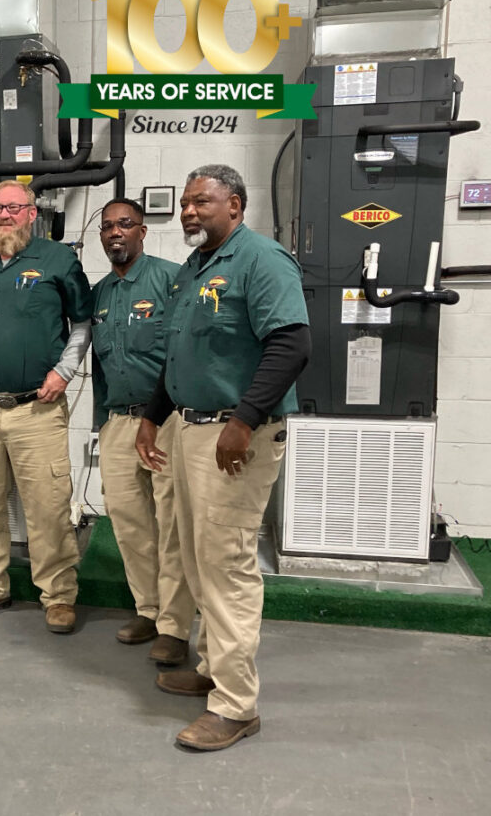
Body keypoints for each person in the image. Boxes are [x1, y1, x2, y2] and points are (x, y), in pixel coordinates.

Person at [136, 165, 310, 751]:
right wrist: (151, 418)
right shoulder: (194, 269)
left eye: (201, 202)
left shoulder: (262, 260)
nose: (189, 211)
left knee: (227, 563)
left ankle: (236, 706)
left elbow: (291, 343)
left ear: (235, 204)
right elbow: (177, 355)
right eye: (185, 203)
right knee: (195, 555)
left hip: (234, 438)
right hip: (189, 431)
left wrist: (244, 419)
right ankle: (211, 666)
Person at [0, 180, 93, 634]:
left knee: (48, 505)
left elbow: (83, 322)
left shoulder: (58, 260)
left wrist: (64, 372)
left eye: (14, 207)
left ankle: (58, 594)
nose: (4, 215)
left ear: (33, 213)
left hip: (37, 409)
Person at [91, 197, 195, 664]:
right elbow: (98, 367)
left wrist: (163, 417)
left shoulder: (172, 279)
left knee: (171, 524)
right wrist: (101, 424)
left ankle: (174, 627)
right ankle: (148, 610)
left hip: (166, 423)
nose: (116, 233)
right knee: (131, 526)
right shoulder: (100, 295)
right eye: (108, 226)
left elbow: (184, 352)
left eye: (125, 225)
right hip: (117, 422)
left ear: (143, 231)